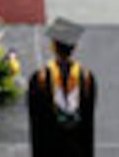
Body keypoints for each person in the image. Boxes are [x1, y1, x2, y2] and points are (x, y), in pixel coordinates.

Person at [28, 17, 96, 157]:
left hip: (49, 149)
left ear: (53, 46)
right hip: (77, 149)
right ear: (74, 47)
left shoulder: (40, 78)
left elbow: (36, 123)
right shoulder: (87, 78)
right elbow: (88, 122)